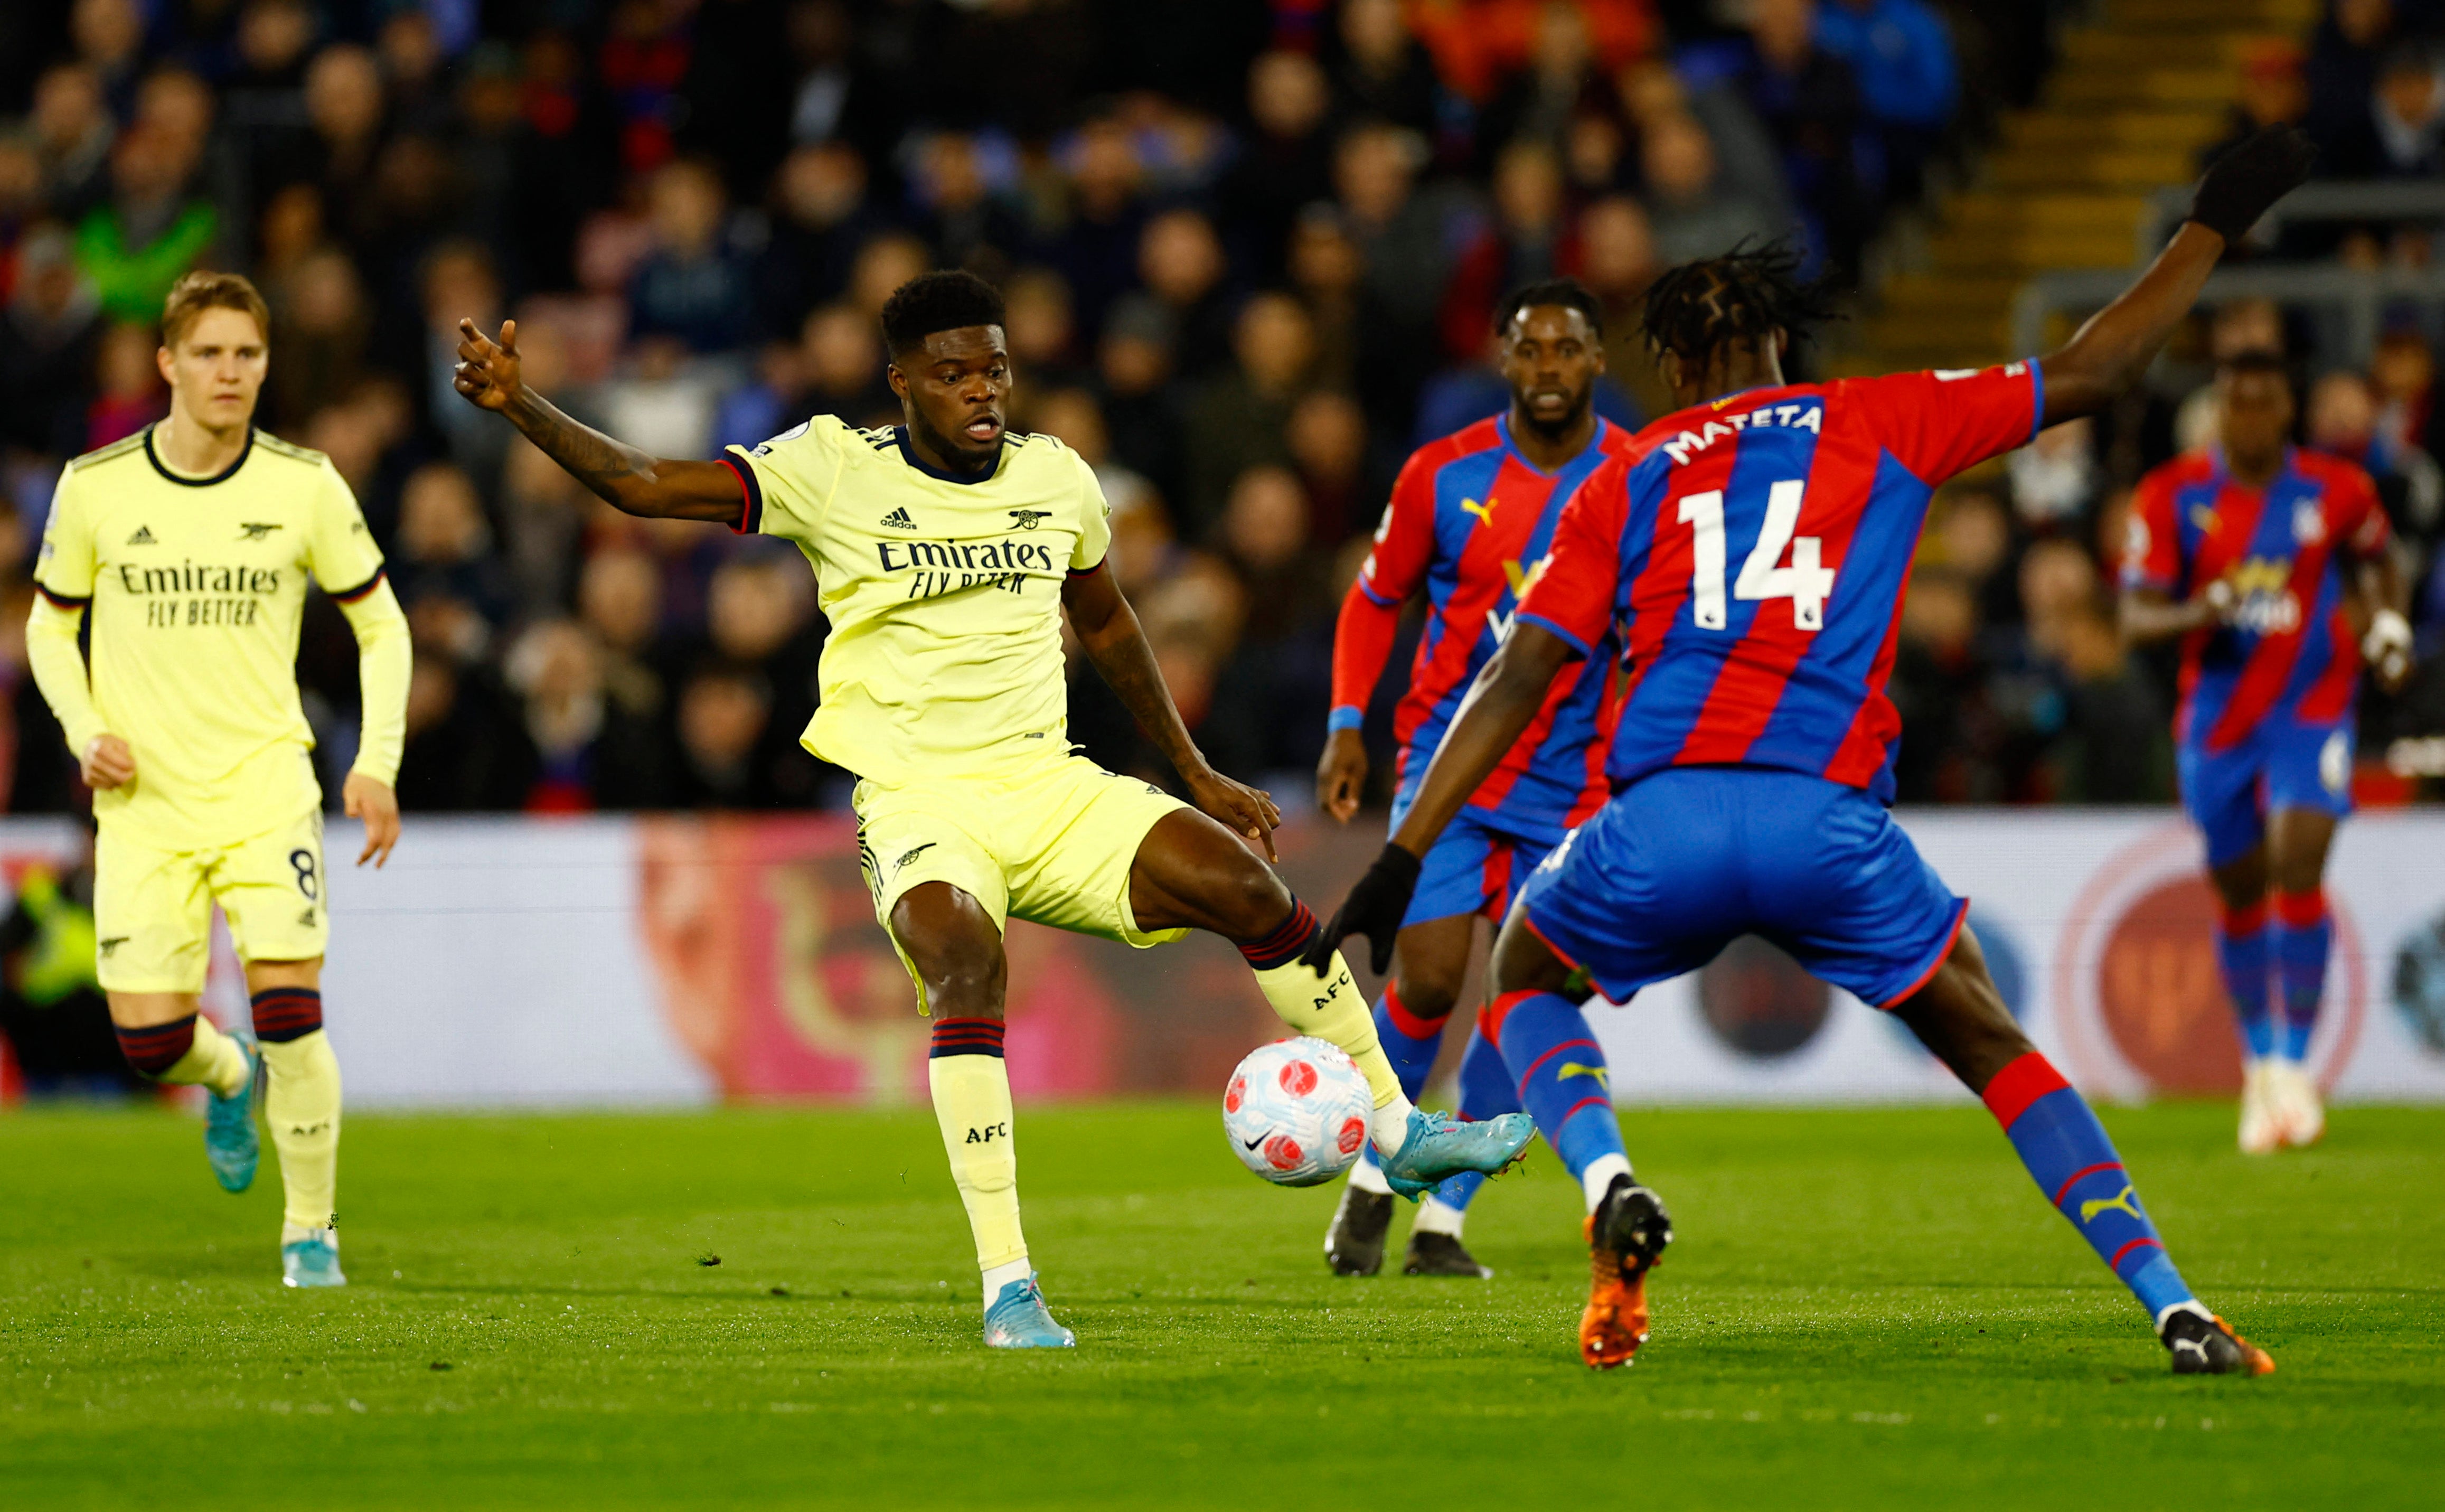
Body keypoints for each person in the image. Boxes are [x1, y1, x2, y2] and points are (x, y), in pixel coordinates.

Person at [1311, 128, 2322, 1375]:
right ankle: (2173, 1306)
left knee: (1521, 971)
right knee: (1992, 1045)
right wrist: (2209, 222)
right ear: (1782, 342)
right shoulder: (1883, 419)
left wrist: (1400, 858)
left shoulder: (1620, 480)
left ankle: (1609, 1183)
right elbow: (2099, 369)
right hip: (1824, 826)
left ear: (1676, 363)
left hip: (1662, 821)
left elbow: (1515, 674)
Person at [450, 269, 1535, 1351]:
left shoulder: (1057, 478)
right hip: (919, 798)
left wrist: (1191, 769)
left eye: (996, 370)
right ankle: (1008, 1285)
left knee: (1251, 890)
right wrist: (521, 406)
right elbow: (644, 484)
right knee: (968, 970)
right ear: (904, 384)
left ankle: (1400, 1128)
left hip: (1046, 783)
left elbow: (1107, 627)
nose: (983, 391)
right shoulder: (831, 466)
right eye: (955, 373)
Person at [25, 270, 410, 1288]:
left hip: (264, 788)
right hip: (142, 802)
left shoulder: (305, 484)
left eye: (247, 353)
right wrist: (83, 729)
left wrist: (375, 762)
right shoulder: (97, 485)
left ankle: (311, 1235)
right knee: (150, 1042)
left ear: (266, 364)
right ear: (167, 364)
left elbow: (380, 622)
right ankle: (225, 1074)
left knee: (295, 1008)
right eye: (209, 353)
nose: (229, 371)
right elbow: (48, 625)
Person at [1315, 277, 1633, 1281]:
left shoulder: (1637, 474)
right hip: (1445, 765)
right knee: (1430, 977)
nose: (1548, 369)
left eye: (1567, 350)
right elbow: (1375, 600)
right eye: (1529, 350)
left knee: (1528, 989)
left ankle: (1440, 1223)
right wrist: (1345, 721)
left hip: (1573, 781)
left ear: (1596, 360)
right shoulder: (1439, 475)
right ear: (1502, 359)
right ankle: (1373, 1181)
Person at [2119, 351, 2414, 1155]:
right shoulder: (2173, 495)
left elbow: (2380, 558)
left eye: (2265, 403)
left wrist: (2387, 626)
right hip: (2217, 720)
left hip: (2311, 708)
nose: (2250, 418)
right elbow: (2135, 619)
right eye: (2236, 404)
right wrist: (2196, 614)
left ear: (2285, 409)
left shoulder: (2336, 489)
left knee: (2300, 859)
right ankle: (2260, 1065)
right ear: (2221, 412)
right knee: (2240, 889)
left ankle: (2292, 1065)